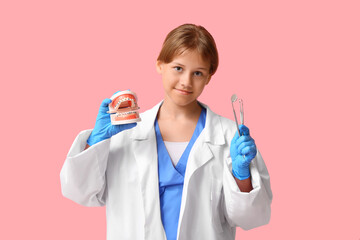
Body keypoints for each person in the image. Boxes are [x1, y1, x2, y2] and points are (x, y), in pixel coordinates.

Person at [60, 23, 272, 240]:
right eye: (178, 68)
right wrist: (95, 141)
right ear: (160, 65)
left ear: (209, 77)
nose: (186, 82)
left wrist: (241, 175)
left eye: (197, 73)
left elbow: (253, 219)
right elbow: (79, 192)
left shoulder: (229, 137)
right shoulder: (125, 133)